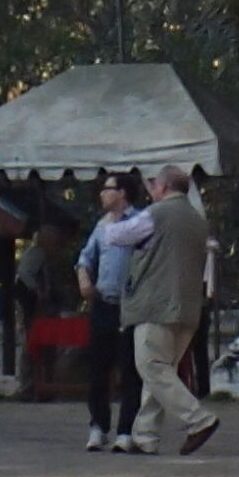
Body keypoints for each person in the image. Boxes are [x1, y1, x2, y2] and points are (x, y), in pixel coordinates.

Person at [121, 164, 219, 459]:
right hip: (188, 306)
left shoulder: (156, 214)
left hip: (156, 305)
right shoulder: (197, 220)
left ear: (162, 187)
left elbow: (119, 235)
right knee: (162, 371)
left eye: (154, 186)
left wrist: (113, 217)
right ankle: (145, 436)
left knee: (151, 366)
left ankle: (199, 419)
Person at [80, 169, 152, 453]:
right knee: (98, 368)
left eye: (108, 188)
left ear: (122, 193)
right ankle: (98, 425)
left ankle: (126, 430)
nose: (102, 193)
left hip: (131, 305)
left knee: (130, 369)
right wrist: (84, 278)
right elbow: (86, 257)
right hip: (104, 303)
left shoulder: (140, 222)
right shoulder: (102, 225)